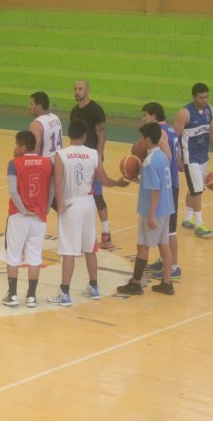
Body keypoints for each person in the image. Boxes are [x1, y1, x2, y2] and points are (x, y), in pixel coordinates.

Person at [49, 120, 128, 306]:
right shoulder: (93, 154)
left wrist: (59, 205)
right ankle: (94, 288)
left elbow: (57, 183)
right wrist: (118, 182)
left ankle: (65, 293)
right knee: (90, 248)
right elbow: (105, 180)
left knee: (69, 252)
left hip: (70, 205)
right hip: (88, 203)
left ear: (68, 134)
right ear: (85, 136)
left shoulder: (61, 155)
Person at [117, 122, 176, 296]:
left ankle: (135, 283)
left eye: (142, 137)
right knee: (164, 244)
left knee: (142, 245)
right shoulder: (163, 156)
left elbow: (155, 190)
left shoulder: (149, 162)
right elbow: (153, 184)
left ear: (148, 139)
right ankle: (167, 282)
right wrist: (134, 179)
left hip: (154, 211)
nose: (140, 141)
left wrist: (150, 215)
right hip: (167, 208)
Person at [0, 131, 53, 308]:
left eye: (16, 145)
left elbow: (13, 191)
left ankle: (13, 295)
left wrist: (23, 210)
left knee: (13, 255)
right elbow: (52, 189)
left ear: (23, 147)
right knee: (34, 256)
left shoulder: (14, 164)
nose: (14, 149)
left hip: (19, 215)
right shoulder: (47, 163)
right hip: (39, 217)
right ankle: (31, 296)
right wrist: (45, 209)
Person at [141, 103, 183, 280]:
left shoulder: (159, 132)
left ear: (154, 115)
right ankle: (164, 261)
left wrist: (154, 168)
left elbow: (169, 157)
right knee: (164, 230)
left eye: (145, 115)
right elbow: (179, 158)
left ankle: (174, 266)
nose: (144, 118)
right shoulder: (172, 130)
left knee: (169, 231)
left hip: (167, 186)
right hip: (172, 182)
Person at [173, 83, 213, 238]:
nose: (204, 100)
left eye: (206, 96)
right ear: (193, 97)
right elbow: (174, 138)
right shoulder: (185, 114)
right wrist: (178, 158)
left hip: (202, 156)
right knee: (197, 189)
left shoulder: (209, 110)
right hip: (189, 157)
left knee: (193, 188)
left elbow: (212, 131)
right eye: (201, 97)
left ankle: (187, 219)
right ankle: (199, 224)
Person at [71, 80, 113, 248]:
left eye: (80, 89)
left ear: (87, 90)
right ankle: (82, 233)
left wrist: (99, 159)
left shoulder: (96, 110)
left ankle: (106, 233)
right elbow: (73, 136)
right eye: (75, 89)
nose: (77, 92)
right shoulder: (74, 111)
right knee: (79, 197)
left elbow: (101, 135)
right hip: (78, 159)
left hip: (92, 159)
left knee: (97, 196)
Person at [28, 91, 62, 159]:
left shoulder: (36, 125)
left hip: (45, 165)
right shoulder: (56, 118)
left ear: (39, 107)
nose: (29, 107)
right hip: (58, 161)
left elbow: (34, 152)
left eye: (31, 104)